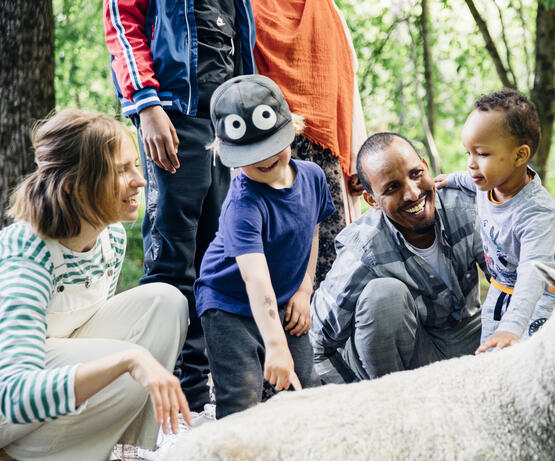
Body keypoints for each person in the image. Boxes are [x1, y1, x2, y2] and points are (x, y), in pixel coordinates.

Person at [0, 109, 190, 461]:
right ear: (75, 187)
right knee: (125, 367)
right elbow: (12, 394)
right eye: (122, 171)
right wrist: (128, 360)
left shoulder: (110, 238)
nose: (140, 180)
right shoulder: (27, 253)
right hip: (7, 395)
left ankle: (97, 453)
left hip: (49, 357)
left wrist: (127, 359)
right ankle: (5, 456)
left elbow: (84, 328)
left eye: (136, 166)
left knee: (165, 302)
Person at [104, 0, 256, 412]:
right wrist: (147, 104)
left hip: (227, 120)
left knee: (219, 258)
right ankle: (166, 403)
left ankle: (203, 394)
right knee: (172, 261)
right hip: (172, 112)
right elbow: (122, 21)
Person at [194, 75, 334, 419]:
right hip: (228, 303)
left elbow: (311, 230)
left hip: (283, 300)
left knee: (306, 386)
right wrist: (274, 345)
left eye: (273, 146)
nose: (266, 160)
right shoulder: (243, 203)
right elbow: (255, 280)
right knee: (243, 397)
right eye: (252, 154)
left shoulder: (313, 176)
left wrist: (304, 290)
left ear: (291, 129)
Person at [310, 133, 485, 383]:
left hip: (469, 335)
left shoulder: (465, 207)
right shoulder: (363, 249)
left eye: (415, 174)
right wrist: (354, 401)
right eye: (392, 188)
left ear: (425, 167)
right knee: (384, 296)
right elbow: (317, 344)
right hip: (403, 361)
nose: (412, 194)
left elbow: (512, 282)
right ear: (372, 200)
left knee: (532, 293)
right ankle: (392, 406)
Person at [435, 89, 555, 353]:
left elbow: (533, 273)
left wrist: (512, 326)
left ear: (519, 156)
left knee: (528, 352)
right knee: (490, 349)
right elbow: (469, 179)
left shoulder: (536, 214)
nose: (471, 164)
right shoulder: (490, 182)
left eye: (481, 154)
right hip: (505, 283)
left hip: (550, 289)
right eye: (468, 152)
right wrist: (450, 179)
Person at [252, 0, 367, 286]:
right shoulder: (247, 9)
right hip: (268, 150)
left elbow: (347, 90)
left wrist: (358, 159)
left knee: (335, 272)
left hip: (326, 156)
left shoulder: (327, 11)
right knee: (275, 264)